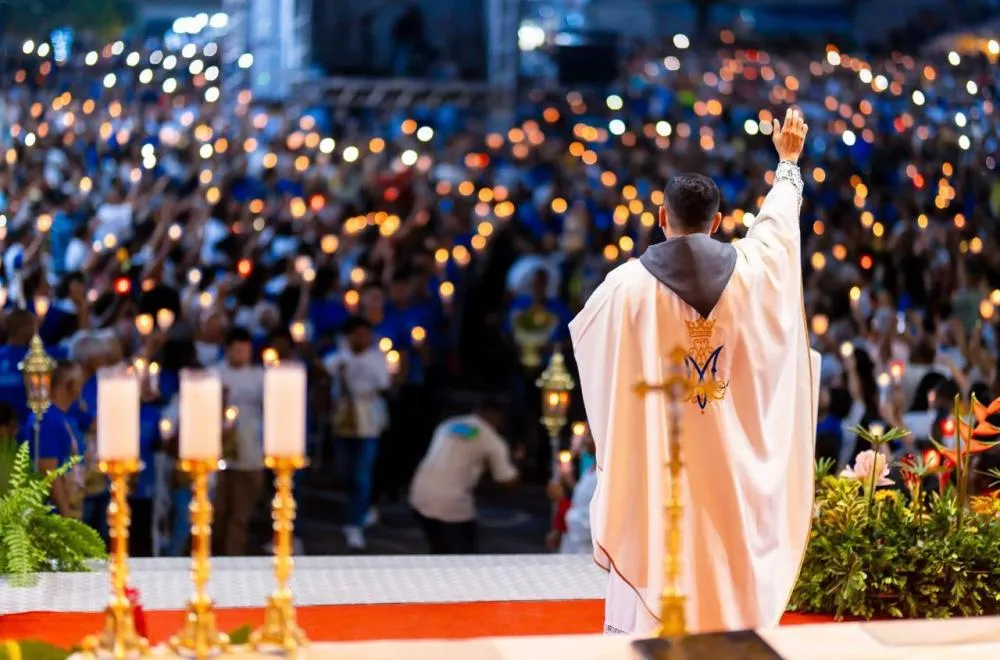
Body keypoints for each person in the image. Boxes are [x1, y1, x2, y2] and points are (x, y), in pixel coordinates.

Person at [569, 108, 820, 635]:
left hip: (663, 455)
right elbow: (779, 226)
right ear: (718, 220)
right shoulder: (753, 270)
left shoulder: (625, 288)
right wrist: (788, 161)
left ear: (662, 219)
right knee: (729, 554)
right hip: (731, 461)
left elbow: (591, 349)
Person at [408, 401, 519, 554]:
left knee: (439, 550)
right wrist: (517, 461)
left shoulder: (449, 424)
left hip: (419, 495)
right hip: (450, 503)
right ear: (499, 419)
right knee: (465, 556)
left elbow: (461, 451)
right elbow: (507, 480)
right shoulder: (492, 440)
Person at [324, 316, 391, 551]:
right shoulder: (338, 359)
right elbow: (324, 374)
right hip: (343, 421)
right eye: (358, 334)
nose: (362, 338)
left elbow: (384, 384)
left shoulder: (377, 359)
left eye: (366, 334)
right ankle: (360, 507)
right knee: (345, 470)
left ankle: (355, 523)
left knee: (362, 473)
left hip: (368, 422)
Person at [213, 327, 265, 556]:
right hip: (220, 447)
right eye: (237, 351)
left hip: (250, 447)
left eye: (245, 351)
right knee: (218, 510)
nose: (241, 355)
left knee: (240, 512)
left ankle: (235, 555)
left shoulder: (259, 376)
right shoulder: (215, 374)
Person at [24, 360, 86, 519]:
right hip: (50, 515)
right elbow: (48, 470)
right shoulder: (48, 418)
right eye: (80, 382)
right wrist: (66, 516)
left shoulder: (56, 415)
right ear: (71, 384)